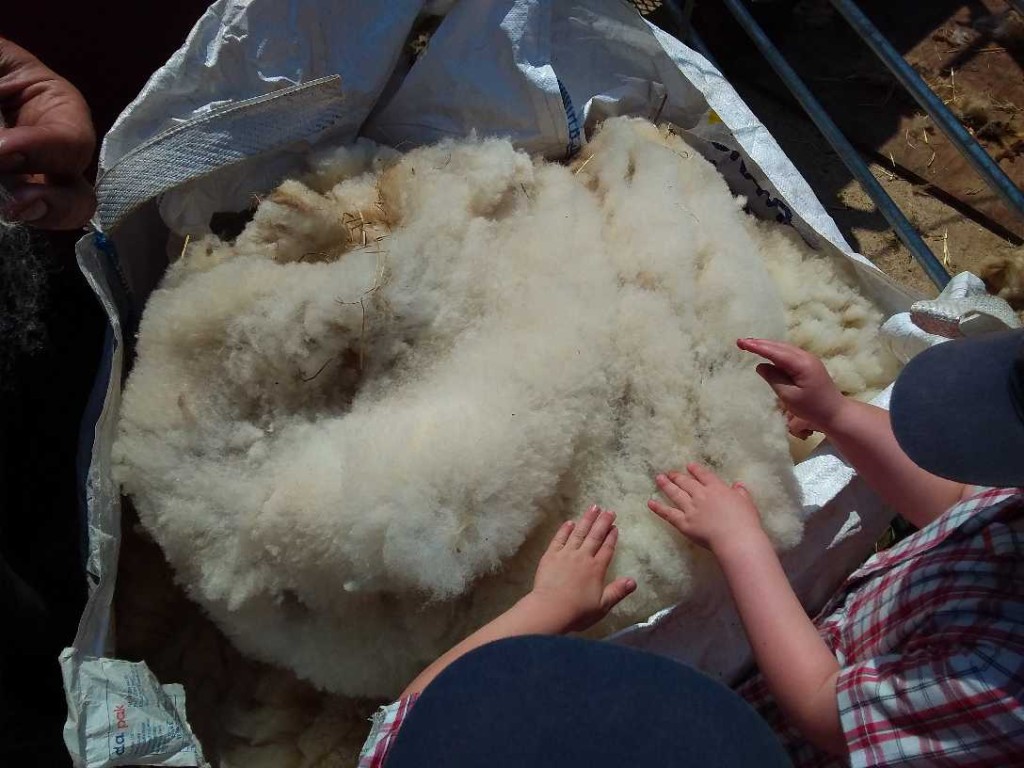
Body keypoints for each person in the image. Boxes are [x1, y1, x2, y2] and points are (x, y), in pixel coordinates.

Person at [360, 330, 1024, 767]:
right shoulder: (1009, 514)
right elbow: (963, 504)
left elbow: (830, 714)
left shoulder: (1004, 685)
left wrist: (743, 548)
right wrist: (840, 415)